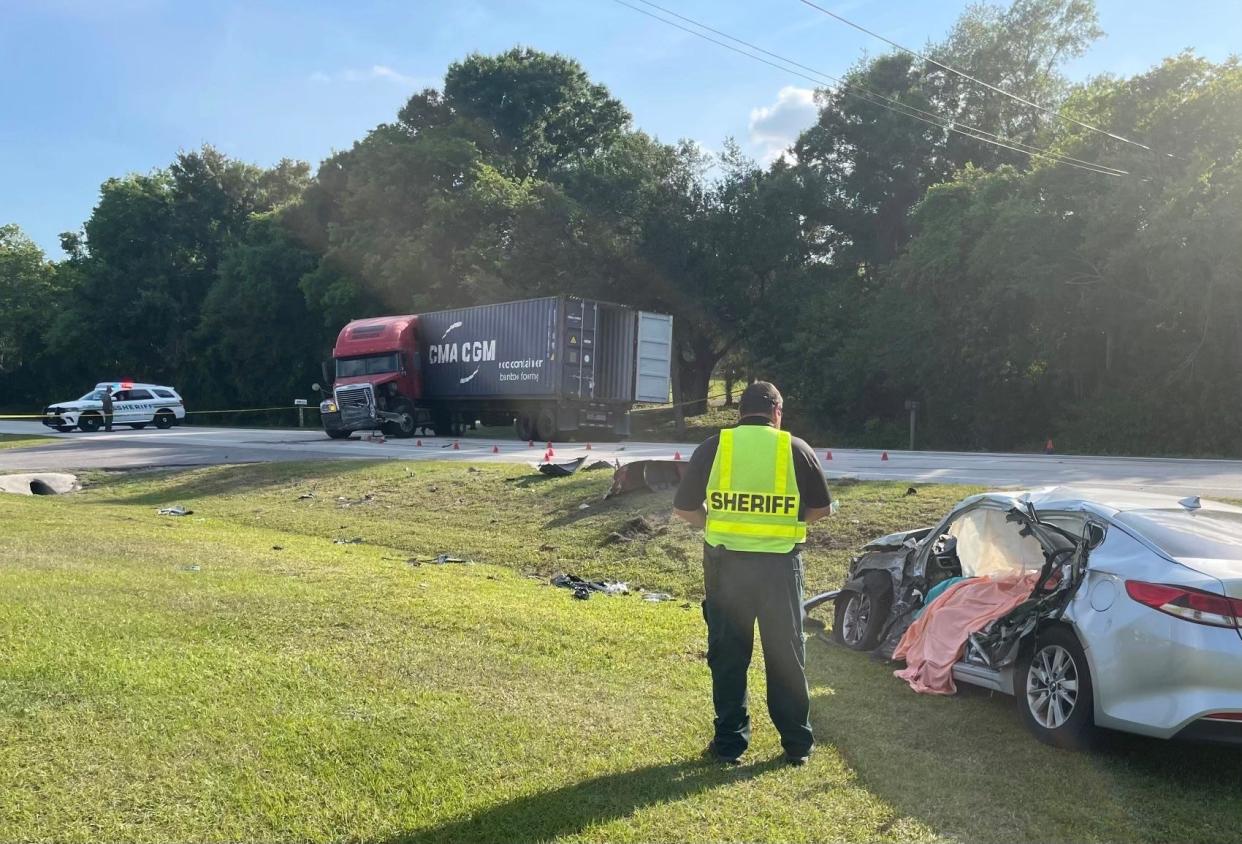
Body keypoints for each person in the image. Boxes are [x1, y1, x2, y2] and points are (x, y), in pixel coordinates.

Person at [673, 381, 833, 767]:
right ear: (777, 412)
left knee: (728, 657)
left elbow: (685, 509)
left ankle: (730, 745)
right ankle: (797, 745)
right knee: (786, 655)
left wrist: (711, 525)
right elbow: (820, 509)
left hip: (727, 568)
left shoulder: (715, 447)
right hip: (780, 567)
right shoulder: (796, 448)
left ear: (740, 412)